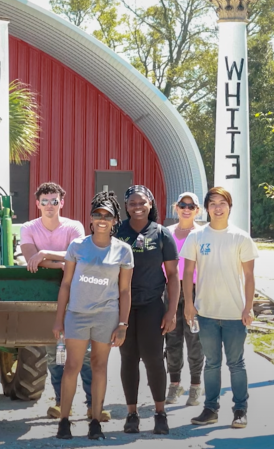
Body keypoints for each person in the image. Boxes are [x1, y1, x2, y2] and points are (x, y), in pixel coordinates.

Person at [54, 191, 133, 440]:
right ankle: (64, 421)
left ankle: (96, 421)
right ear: (90, 219)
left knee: (99, 366)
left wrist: (123, 324)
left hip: (106, 316)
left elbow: (124, 290)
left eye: (107, 216)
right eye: (97, 214)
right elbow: (66, 284)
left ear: (114, 221)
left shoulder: (123, 251)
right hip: (77, 315)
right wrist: (59, 319)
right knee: (71, 367)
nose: (102, 219)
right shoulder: (77, 246)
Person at [19, 182, 100, 421]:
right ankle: (60, 402)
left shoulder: (73, 227)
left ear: (61, 203)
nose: (49, 205)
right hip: (46, 299)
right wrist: (62, 263)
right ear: (37, 204)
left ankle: (92, 404)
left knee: (83, 352)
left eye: (54, 201)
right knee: (55, 352)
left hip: (77, 296)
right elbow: (30, 260)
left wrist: (44, 253)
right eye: (44, 201)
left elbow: (80, 255)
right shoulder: (28, 227)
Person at [182, 186, 258, 428]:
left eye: (222, 202)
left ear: (229, 206)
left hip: (235, 314)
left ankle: (240, 410)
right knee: (212, 363)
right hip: (206, 313)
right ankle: (210, 409)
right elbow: (188, 273)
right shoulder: (196, 236)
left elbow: (249, 276)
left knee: (236, 363)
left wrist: (248, 308)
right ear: (206, 208)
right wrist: (189, 305)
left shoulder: (240, 237)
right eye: (212, 203)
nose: (217, 207)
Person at [115, 185, 179, 435]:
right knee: (128, 358)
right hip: (123, 307)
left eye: (142, 202)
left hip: (152, 305)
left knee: (153, 359)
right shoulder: (117, 232)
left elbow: (173, 275)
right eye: (132, 203)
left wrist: (171, 311)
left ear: (151, 204)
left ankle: (160, 412)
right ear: (126, 205)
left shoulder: (162, 234)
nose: (137, 207)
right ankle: (132, 414)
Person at [165, 192, 205, 406]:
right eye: (182, 205)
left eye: (191, 206)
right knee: (172, 338)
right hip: (171, 290)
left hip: (196, 291)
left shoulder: (202, 233)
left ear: (197, 210)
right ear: (176, 207)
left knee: (194, 339)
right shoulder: (167, 233)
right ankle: (174, 384)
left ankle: (196, 385)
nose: (186, 209)